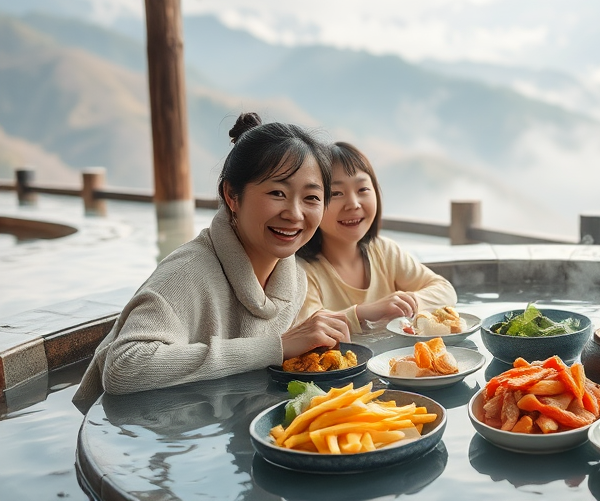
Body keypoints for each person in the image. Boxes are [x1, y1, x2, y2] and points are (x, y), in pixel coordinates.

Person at [74, 113, 350, 409]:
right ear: (232, 195)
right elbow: (123, 368)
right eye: (277, 193)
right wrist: (277, 347)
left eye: (311, 198)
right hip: (126, 439)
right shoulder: (186, 273)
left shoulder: (294, 279)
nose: (295, 214)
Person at [294, 142, 456, 336]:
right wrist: (364, 312)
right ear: (312, 202)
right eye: (336, 193)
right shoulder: (301, 271)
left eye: (362, 190)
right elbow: (306, 330)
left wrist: (406, 303)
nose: (353, 204)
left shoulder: (384, 251)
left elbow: (446, 292)